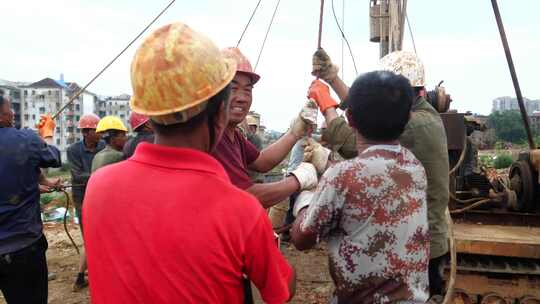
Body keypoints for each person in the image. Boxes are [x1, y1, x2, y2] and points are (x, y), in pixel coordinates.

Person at [83, 22, 295, 303]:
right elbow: (282, 290)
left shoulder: (99, 185)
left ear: (149, 111)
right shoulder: (241, 210)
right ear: (221, 110)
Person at [310, 49, 450, 296]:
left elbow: (354, 141)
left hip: (415, 247)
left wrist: (327, 105)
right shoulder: (419, 114)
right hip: (410, 239)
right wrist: (333, 79)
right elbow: (369, 111)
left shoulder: (414, 124)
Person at [291, 71, 430, 302]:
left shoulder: (342, 177)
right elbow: (373, 174)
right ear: (407, 119)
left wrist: (306, 199)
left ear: (351, 119)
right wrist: (329, 164)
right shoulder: (414, 168)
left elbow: (302, 239)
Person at [213, 47, 318, 208]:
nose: (242, 98)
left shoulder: (233, 135)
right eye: (232, 88)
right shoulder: (214, 137)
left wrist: (294, 133)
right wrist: (299, 179)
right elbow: (247, 196)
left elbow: (261, 162)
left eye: (247, 90)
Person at [0, 89, 62, 303]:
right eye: (9, 111)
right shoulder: (24, 139)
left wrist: (39, 184)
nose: (13, 115)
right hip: (22, 247)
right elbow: (53, 157)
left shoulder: (24, 140)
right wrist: (46, 135)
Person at [66, 113, 105, 291]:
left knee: (99, 236)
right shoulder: (73, 150)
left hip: (102, 197)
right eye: (97, 130)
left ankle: (84, 276)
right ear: (86, 132)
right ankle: (84, 276)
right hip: (82, 198)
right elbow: (77, 175)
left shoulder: (104, 146)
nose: (101, 134)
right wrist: (102, 175)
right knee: (90, 237)